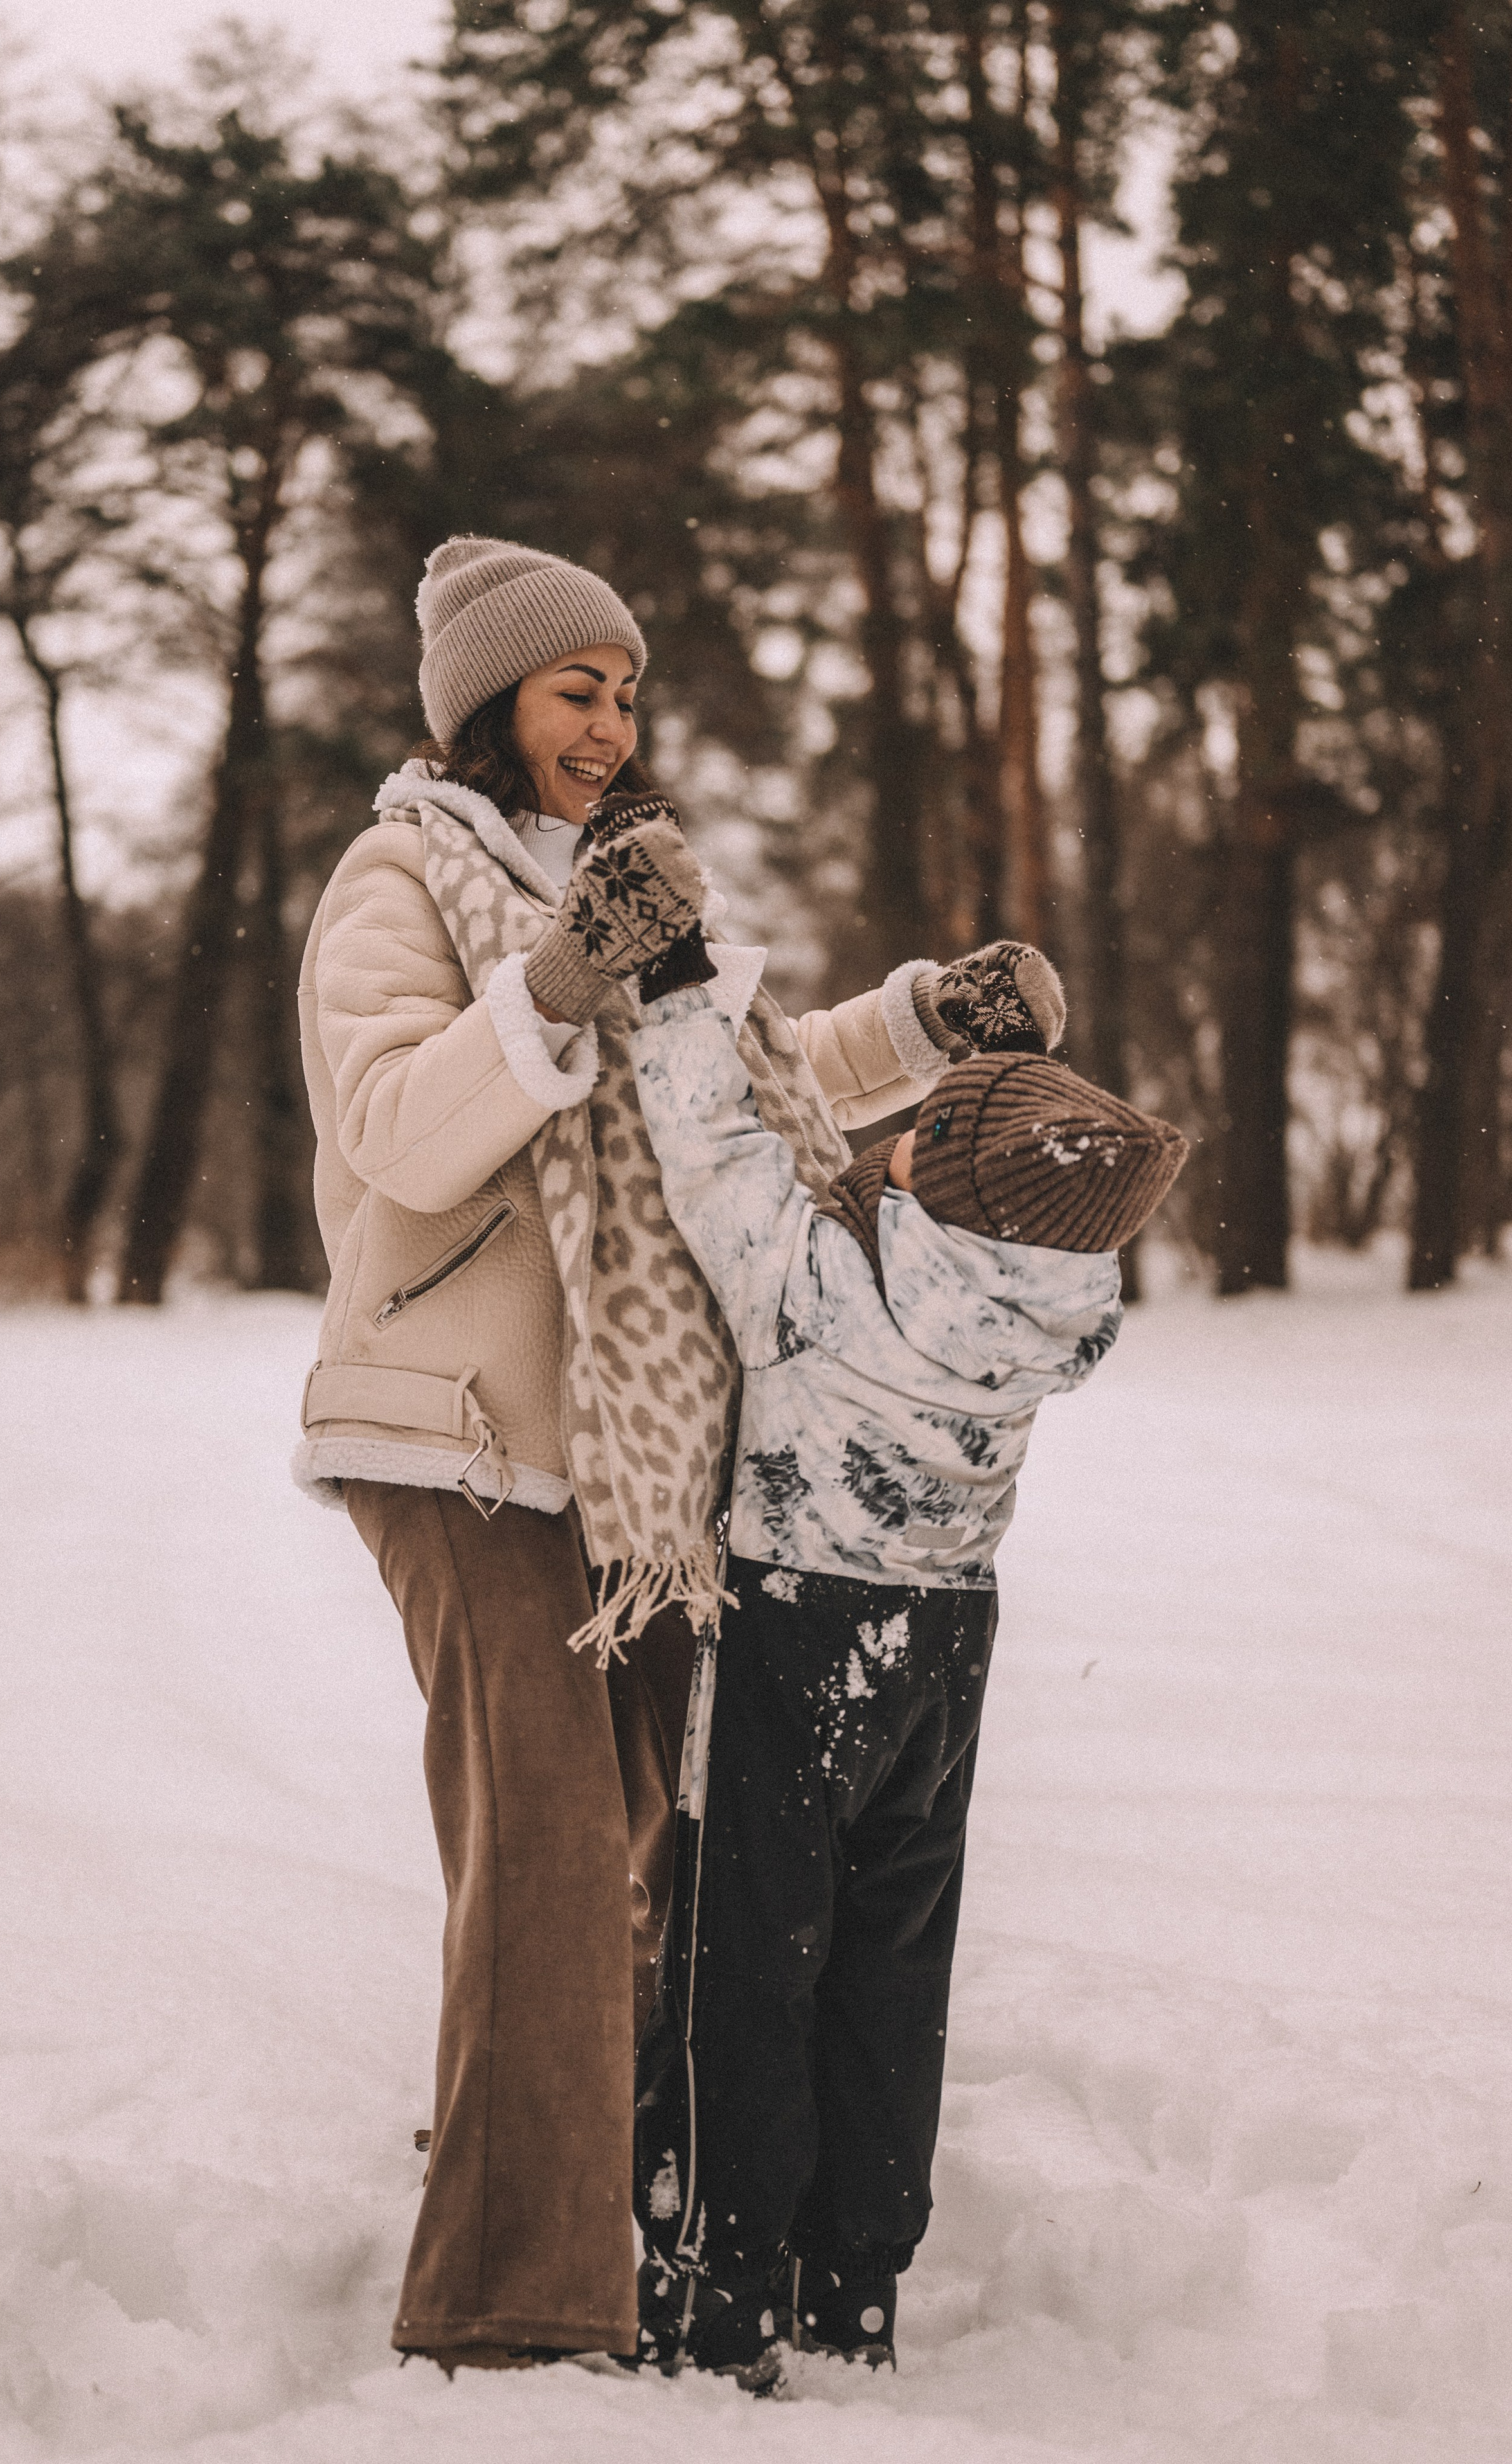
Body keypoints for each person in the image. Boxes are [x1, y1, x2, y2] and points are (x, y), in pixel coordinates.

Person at [292, 534, 975, 2370]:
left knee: (655, 1849)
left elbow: (739, 1078)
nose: (610, 726)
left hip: (635, 1457)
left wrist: (920, 1026)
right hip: (456, 1436)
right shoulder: (396, 876)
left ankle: (585, 2181)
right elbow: (396, 1127)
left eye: (625, 694)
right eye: (574, 691)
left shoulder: (632, 885)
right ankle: (508, 2301)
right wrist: (553, 979)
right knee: (549, 1845)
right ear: (485, 706)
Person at [547, 893, 1184, 2389]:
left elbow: (713, 1150)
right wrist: (1000, 1080)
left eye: (913, 1141)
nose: (883, 1146)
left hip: (796, 1629)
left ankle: (712, 2284)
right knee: (890, 1963)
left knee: (745, 1957)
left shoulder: (826, 1288)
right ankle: (854, 2279)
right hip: (943, 1648)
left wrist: (679, 978)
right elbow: (1004, 1178)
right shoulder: (1046, 1300)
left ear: (931, 1176)